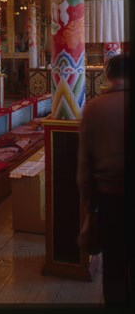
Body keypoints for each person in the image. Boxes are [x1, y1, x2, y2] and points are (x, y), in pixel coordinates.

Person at [77, 53, 130, 306]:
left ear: (107, 75)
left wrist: (88, 204)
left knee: (114, 263)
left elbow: (84, 166)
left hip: (108, 200)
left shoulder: (94, 107)